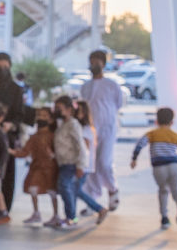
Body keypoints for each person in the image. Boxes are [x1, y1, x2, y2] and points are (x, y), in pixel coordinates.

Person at [51, 98, 107, 228]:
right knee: (72, 190)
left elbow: (82, 147)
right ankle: (76, 216)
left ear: (69, 109)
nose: (57, 111)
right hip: (65, 163)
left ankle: (74, 217)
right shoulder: (64, 125)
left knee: (68, 188)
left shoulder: (74, 125)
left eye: (59, 108)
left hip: (73, 163)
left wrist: (81, 165)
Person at [84, 49, 126, 210]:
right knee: (91, 164)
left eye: (97, 62)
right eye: (92, 62)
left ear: (103, 64)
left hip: (108, 128)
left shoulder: (112, 85)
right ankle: (92, 199)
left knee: (104, 163)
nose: (94, 65)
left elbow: (118, 103)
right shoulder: (86, 86)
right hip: (91, 129)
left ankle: (112, 189)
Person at [138, 107, 177, 227]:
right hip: (174, 166)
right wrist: (176, 158)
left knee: (163, 190)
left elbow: (140, 145)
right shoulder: (175, 135)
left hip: (158, 168)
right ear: (172, 122)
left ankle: (164, 218)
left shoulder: (152, 134)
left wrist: (134, 159)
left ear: (157, 121)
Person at [21, 109, 59, 225]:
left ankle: (56, 214)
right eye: (39, 115)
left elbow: (59, 152)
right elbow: (25, 151)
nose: (41, 118)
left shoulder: (53, 136)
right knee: (33, 188)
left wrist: (52, 155)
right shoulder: (34, 137)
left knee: (51, 191)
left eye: (44, 116)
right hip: (36, 167)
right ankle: (36, 212)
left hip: (50, 168)